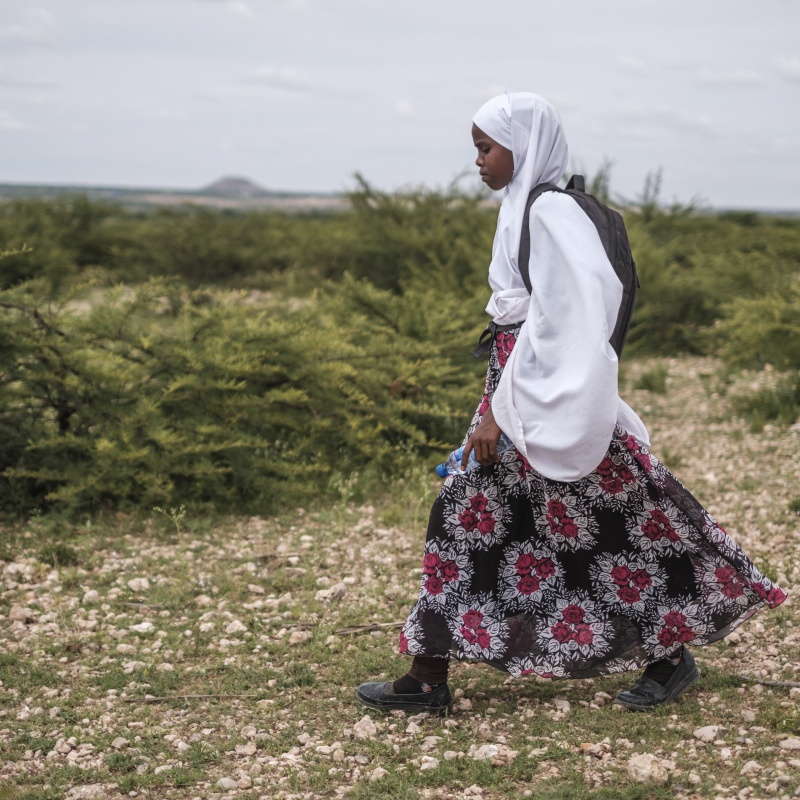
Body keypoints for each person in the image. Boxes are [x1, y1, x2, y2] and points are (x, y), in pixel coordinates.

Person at [356, 92, 787, 715]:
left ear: (523, 147)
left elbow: (572, 313)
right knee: (507, 517)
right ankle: (429, 675)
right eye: (475, 148)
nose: (477, 161)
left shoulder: (550, 212)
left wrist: (501, 410)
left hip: (544, 390)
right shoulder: (521, 210)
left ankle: (665, 656)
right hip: (524, 383)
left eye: (486, 148)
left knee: (611, 518)